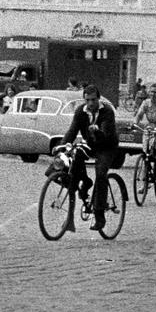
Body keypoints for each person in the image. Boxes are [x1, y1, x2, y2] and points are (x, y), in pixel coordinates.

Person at [61, 83, 120, 231]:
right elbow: (72, 131)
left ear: (99, 99)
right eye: (87, 100)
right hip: (91, 144)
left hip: (107, 146)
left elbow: (106, 135)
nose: (91, 103)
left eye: (93, 100)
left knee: (100, 174)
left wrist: (97, 131)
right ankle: (85, 183)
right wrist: (62, 146)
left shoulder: (107, 111)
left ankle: (99, 214)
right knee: (74, 162)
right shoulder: (81, 111)